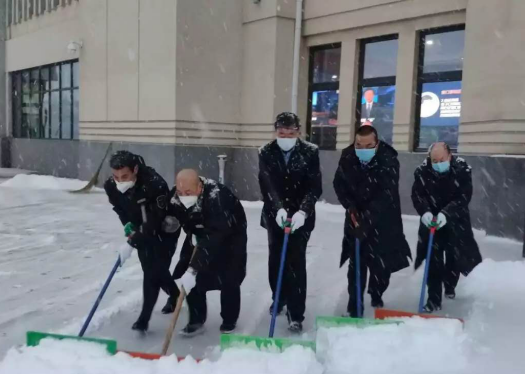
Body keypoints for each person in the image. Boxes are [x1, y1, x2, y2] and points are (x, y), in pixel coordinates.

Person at [333, 125, 411, 317]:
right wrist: (350, 206)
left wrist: (367, 218)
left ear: (376, 143)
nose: (363, 149)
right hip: (355, 218)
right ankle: (354, 307)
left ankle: (377, 292)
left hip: (383, 221)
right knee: (356, 266)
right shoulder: (348, 156)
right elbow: (339, 184)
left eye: (369, 146)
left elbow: (386, 193)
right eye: (359, 145)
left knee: (381, 266)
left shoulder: (389, 159)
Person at [258, 112, 322, 333]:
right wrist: (278, 209)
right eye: (281, 132)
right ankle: (279, 297)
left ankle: (296, 314)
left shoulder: (310, 152)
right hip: (275, 216)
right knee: (276, 260)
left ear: (298, 132)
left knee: (296, 263)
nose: (285, 135)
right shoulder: (266, 151)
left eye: (290, 132)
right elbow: (266, 184)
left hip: (301, 218)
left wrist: (302, 212)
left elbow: (314, 186)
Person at [104, 151, 180, 332]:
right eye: (116, 177)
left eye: (125, 176)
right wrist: (128, 225)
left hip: (165, 229)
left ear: (135, 169)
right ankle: (176, 295)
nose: (120, 181)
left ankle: (144, 319)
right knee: (152, 268)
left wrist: (132, 242)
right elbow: (120, 208)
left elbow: (154, 220)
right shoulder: (111, 185)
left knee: (154, 270)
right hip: (140, 228)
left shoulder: (154, 184)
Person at [169, 169, 247, 336]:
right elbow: (167, 217)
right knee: (189, 277)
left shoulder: (218, 198)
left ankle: (229, 320)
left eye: (188, 192)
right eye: (180, 192)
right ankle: (196, 320)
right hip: (198, 235)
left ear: (199, 187)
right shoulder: (175, 197)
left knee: (229, 277)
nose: (183, 196)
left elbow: (216, 236)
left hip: (230, 237)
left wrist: (194, 268)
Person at [412, 142, 482, 312]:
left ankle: (450, 286)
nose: (437, 163)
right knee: (433, 261)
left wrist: (446, 214)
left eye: (441, 159)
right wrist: (426, 213)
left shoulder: (462, 170)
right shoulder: (422, 171)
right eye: (434, 160)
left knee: (453, 258)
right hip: (432, 223)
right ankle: (433, 300)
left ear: (450, 156)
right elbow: (417, 195)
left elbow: (463, 197)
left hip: (455, 221)